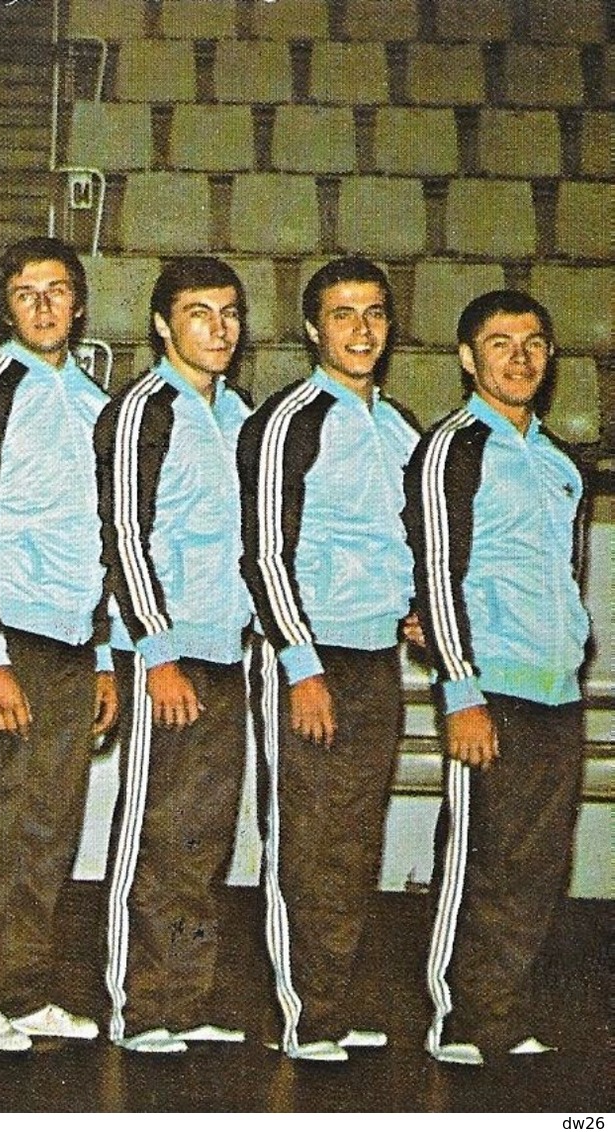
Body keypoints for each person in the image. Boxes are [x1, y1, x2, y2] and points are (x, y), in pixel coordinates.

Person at [0, 236, 117, 1052]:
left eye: (56, 291)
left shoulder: (97, 401)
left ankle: (24, 988)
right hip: (9, 640)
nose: (43, 306)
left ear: (78, 305)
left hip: (77, 644)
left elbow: (109, 538)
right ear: (3, 308)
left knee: (49, 826)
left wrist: (105, 654)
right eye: (25, 293)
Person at [238, 258, 420, 1062]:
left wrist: (414, 605)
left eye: (374, 314)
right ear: (313, 329)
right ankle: (300, 1014)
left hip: (375, 656)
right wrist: (299, 663)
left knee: (354, 838)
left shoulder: (401, 427)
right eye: (342, 315)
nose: (361, 330)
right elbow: (263, 555)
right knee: (306, 840)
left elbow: (410, 540)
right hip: (305, 659)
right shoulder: (289, 419)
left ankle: (334, 1002)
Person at [404, 291, 590, 1067]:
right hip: (489, 690)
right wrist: (459, 689)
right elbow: (435, 577)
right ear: (466, 358)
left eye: (533, 343)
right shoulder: (452, 447)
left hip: (557, 691)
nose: (518, 357)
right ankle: (455, 1015)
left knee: (538, 863)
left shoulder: (557, 461)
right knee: (476, 856)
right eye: (499, 342)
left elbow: (569, 577)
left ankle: (502, 1012)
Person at [97, 256, 254, 1055]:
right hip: (166, 654)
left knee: (205, 836)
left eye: (228, 313)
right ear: (162, 324)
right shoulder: (141, 410)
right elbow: (122, 535)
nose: (218, 328)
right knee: (156, 833)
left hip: (227, 650)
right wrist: (154, 653)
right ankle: (139, 1006)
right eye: (199, 313)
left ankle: (183, 999)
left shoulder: (238, 414)